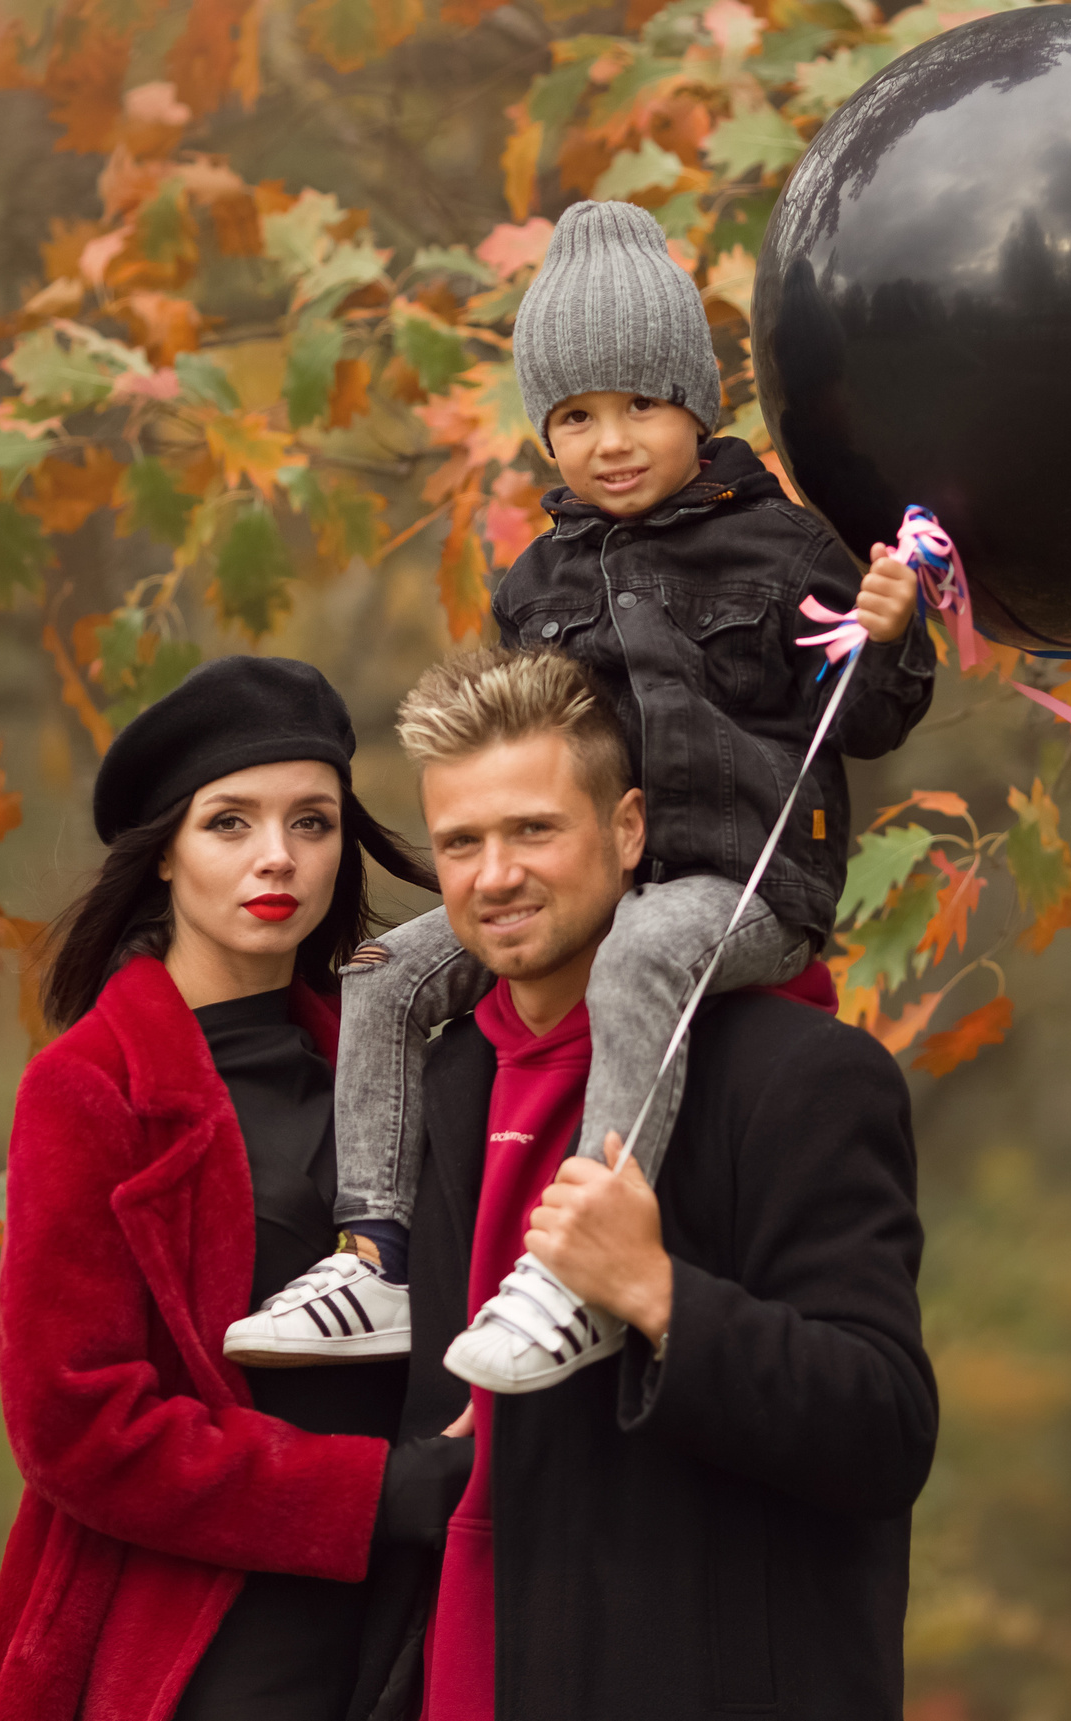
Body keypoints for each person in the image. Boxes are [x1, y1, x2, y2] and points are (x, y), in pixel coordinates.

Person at [226, 198, 940, 1394]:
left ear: (694, 404)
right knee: (385, 973)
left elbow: (866, 722)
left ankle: (575, 1269)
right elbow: (516, 744)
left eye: (639, 406)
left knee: (641, 952)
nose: (610, 440)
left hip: (739, 879)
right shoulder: (536, 581)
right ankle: (375, 1254)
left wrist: (887, 639)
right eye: (574, 416)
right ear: (543, 433)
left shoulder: (782, 549)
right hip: (590, 874)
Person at [351, 647, 937, 1721]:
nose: (495, 874)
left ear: (627, 832)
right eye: (461, 843)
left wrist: (658, 1292)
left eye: (533, 829)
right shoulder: (443, 1082)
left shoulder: (795, 1076)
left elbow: (884, 1426)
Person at [0, 656, 473, 1721]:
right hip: (203, 1629)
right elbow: (75, 1423)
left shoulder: (398, 1066)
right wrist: (373, 1493)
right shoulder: (90, 1088)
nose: (277, 856)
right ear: (164, 855)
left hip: (419, 1610)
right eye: (229, 823)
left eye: (312, 821)